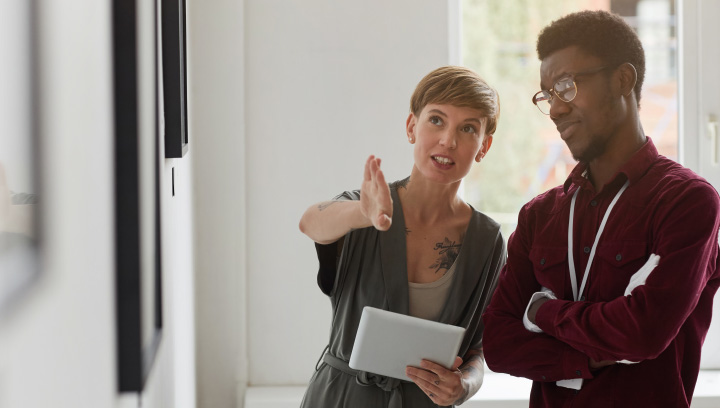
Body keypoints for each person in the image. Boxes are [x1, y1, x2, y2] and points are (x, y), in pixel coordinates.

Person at [482, 10, 720, 408]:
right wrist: (587, 356)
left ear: (622, 80)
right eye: (548, 95)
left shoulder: (687, 202)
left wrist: (541, 311)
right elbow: (499, 343)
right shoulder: (539, 216)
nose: (556, 109)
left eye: (567, 86)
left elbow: (642, 333)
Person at [298, 66, 506, 408]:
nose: (448, 141)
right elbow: (310, 223)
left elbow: (479, 349)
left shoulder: (487, 241)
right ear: (412, 126)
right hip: (340, 399)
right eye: (436, 120)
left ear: (483, 146)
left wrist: (464, 385)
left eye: (468, 128)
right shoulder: (365, 208)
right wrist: (362, 215)